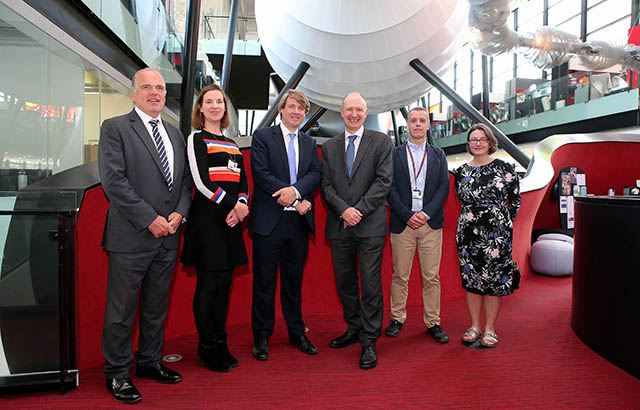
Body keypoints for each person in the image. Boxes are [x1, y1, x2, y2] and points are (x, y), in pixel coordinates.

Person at [98, 68, 192, 404]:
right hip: (131, 237)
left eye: (160, 88)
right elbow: (114, 182)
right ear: (134, 93)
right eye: (147, 87)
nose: (155, 93)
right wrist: (150, 218)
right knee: (122, 310)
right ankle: (118, 373)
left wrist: (180, 213)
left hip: (169, 236)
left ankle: (150, 361)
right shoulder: (115, 128)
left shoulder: (175, 134)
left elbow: (183, 182)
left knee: (155, 307)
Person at [248, 89, 322, 361]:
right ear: (281, 109)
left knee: (294, 283)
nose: (296, 112)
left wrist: (298, 193)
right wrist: (290, 193)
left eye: (301, 109)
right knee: (264, 284)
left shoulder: (308, 142)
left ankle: (296, 331)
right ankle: (262, 336)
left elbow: (315, 174)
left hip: (298, 224)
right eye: (291, 107)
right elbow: (261, 173)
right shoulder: (263, 136)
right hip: (269, 223)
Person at [321, 92, 393, 369]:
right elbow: (326, 186)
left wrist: (358, 210)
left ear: (366, 112)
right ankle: (353, 327)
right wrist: (344, 211)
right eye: (349, 109)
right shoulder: (330, 147)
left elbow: (383, 181)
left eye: (359, 110)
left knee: (371, 284)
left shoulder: (381, 142)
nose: (354, 114)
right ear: (341, 112)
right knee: (345, 282)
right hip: (340, 225)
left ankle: (369, 339)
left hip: (370, 226)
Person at [181, 84, 249, 372]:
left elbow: (243, 180)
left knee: (224, 285)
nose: (214, 106)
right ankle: (206, 346)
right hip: (208, 219)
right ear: (200, 108)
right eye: (208, 102)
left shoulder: (233, 144)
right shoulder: (196, 138)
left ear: (225, 108)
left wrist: (242, 204)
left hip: (231, 221)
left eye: (219, 101)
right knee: (207, 285)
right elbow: (202, 183)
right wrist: (235, 205)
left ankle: (221, 342)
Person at [453, 123, 521, 348]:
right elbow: (462, 201)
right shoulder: (461, 171)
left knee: (493, 282)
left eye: (482, 139)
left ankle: (490, 329)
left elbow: (515, 202)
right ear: (469, 144)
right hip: (467, 235)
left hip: (497, 237)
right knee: (472, 281)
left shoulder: (506, 168)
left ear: (490, 142)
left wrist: (501, 222)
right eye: (474, 139)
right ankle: (474, 326)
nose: (478, 142)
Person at [386, 107, 450, 343]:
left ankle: (433, 322)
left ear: (428, 125)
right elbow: (388, 187)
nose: (418, 124)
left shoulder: (438, 155)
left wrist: (425, 213)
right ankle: (397, 318)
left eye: (422, 121)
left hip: (430, 224)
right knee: (400, 275)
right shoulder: (394, 154)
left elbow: (444, 187)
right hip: (403, 223)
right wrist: (406, 214)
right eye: (413, 120)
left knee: (431, 276)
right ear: (408, 125)